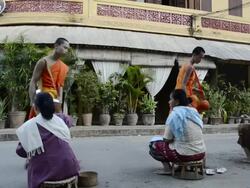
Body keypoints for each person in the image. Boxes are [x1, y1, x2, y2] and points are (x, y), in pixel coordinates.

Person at [16, 92, 80, 188]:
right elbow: (70, 121)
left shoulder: (29, 126)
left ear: (35, 108)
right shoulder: (61, 119)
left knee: (32, 165)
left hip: (45, 177)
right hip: (70, 171)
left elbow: (20, 151)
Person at [149, 89, 206, 174]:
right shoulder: (194, 112)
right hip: (201, 153)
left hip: (183, 155)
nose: (169, 102)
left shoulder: (174, 115)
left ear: (176, 101)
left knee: (154, 145)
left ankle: (167, 169)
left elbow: (167, 139)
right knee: (181, 142)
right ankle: (182, 167)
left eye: (171, 99)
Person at [28, 37, 70, 118]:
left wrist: (60, 101)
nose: (66, 51)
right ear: (56, 46)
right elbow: (33, 81)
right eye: (65, 47)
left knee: (55, 125)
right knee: (39, 124)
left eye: (67, 49)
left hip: (55, 99)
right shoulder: (43, 62)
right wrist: (33, 102)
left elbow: (60, 85)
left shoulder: (63, 66)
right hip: (42, 97)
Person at [175, 46, 208, 112]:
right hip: (185, 94)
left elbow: (184, 82)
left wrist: (195, 89)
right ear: (194, 54)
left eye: (201, 58)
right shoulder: (190, 67)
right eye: (200, 57)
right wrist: (186, 100)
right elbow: (183, 84)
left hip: (178, 92)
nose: (200, 60)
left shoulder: (185, 64)